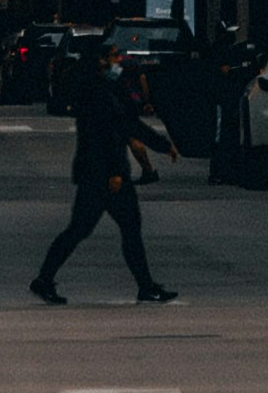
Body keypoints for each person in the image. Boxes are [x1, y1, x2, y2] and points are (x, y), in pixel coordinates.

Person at [30, 32, 177, 306]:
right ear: (100, 61)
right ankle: (144, 286)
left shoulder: (106, 87)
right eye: (113, 56)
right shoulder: (96, 92)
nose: (118, 60)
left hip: (99, 173)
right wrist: (114, 173)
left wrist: (162, 145)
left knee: (92, 229)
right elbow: (103, 136)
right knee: (98, 229)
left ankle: (45, 279)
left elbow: (129, 124)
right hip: (102, 174)